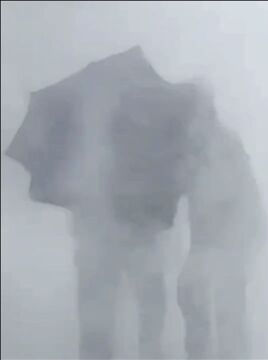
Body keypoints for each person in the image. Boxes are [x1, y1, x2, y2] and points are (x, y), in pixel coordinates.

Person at [5, 46, 197, 358]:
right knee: (145, 307)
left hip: (100, 236)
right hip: (132, 235)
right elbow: (175, 174)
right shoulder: (148, 127)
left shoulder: (90, 131)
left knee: (101, 313)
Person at [177, 81, 267, 359]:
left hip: (226, 242)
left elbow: (229, 190)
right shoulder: (193, 142)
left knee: (226, 315)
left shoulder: (220, 143)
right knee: (197, 306)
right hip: (208, 243)